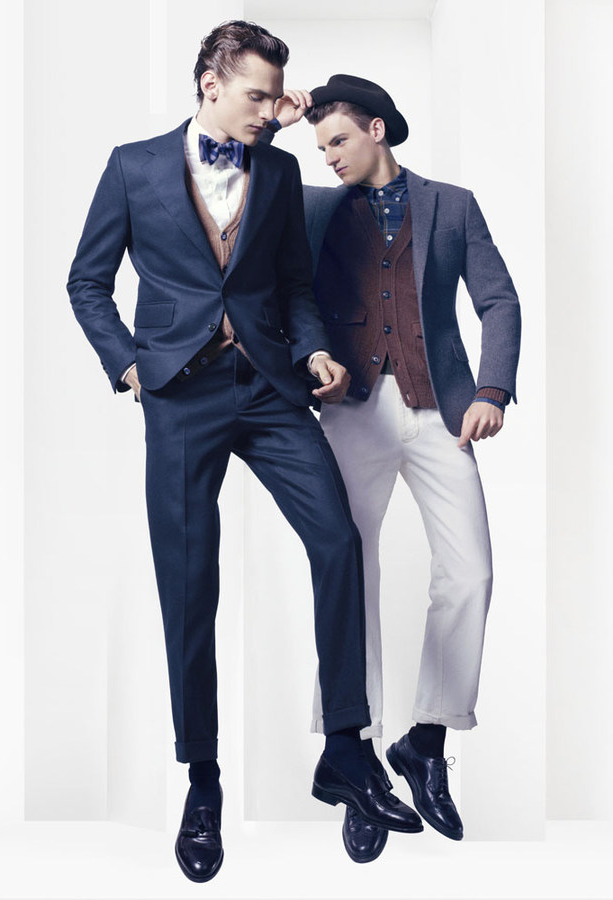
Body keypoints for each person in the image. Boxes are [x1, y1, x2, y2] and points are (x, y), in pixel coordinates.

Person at [67, 28, 421, 883]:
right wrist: (128, 365)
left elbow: (293, 286)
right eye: (255, 95)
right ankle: (202, 780)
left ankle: (345, 748)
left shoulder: (279, 171)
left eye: (274, 96)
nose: (268, 111)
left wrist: (313, 350)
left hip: (269, 388)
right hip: (180, 395)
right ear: (209, 84)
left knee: (337, 542)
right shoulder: (133, 166)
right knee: (190, 587)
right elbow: (87, 280)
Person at [268, 74, 521, 862]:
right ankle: (356, 757)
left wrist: (491, 389)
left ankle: (426, 740)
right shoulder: (311, 208)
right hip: (351, 409)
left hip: (439, 408)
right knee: (352, 573)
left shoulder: (452, 204)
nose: (328, 156)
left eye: (338, 140)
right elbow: (241, 193)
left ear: (376, 129)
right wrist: (277, 124)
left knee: (470, 574)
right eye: (320, 147)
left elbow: (498, 301)